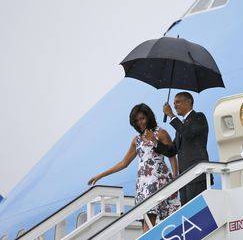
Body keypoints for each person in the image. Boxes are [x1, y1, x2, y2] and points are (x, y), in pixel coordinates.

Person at [88, 103, 180, 232]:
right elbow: (123, 163)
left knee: (166, 217)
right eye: (136, 120)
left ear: (149, 117)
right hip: (143, 183)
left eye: (142, 118)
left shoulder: (161, 133)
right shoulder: (136, 140)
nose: (140, 122)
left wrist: (176, 176)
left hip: (160, 180)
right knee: (147, 217)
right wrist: (100, 175)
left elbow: (172, 155)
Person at [153, 92, 211, 205]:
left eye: (178, 102)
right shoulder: (181, 126)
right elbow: (172, 151)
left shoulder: (199, 117)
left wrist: (171, 115)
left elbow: (188, 133)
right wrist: (155, 142)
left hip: (197, 175)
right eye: (174, 103)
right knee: (188, 215)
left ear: (188, 102)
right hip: (184, 177)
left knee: (197, 211)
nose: (174, 105)